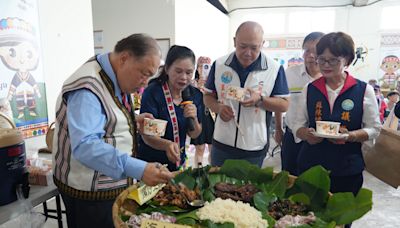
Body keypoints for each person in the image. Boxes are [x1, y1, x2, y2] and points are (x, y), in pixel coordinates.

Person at [52, 34, 175, 228]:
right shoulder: (87, 89)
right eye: (143, 74)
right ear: (124, 58)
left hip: (108, 185)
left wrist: (133, 121)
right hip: (90, 195)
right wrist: (140, 169)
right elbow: (86, 146)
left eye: (149, 77)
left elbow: (103, 117)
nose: (144, 83)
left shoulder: (110, 74)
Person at [293, 32, 381, 202]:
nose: (325, 65)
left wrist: (350, 136)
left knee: (342, 216)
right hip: (312, 166)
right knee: (311, 216)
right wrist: (307, 135)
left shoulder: (362, 90)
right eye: (321, 59)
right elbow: (297, 124)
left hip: (347, 168)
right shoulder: (310, 89)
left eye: (333, 60)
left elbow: (374, 128)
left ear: (347, 60)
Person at [203, 21, 289, 167]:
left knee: (249, 189)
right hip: (222, 142)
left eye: (254, 48)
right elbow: (207, 96)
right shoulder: (219, 65)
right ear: (235, 41)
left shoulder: (274, 69)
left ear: (262, 44)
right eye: (243, 46)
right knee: (217, 186)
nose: (248, 53)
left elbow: (284, 105)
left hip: (254, 146)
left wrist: (260, 100)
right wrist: (218, 108)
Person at [138, 45, 203, 171]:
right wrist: (167, 145)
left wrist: (193, 118)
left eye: (189, 72)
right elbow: (147, 135)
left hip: (179, 161)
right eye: (178, 71)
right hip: (152, 163)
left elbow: (195, 133)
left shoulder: (194, 94)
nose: (184, 77)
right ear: (167, 69)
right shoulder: (153, 92)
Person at [274, 32, 324, 175]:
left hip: (319, 139)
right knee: (288, 178)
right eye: (307, 50)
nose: (311, 55)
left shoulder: (329, 77)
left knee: (313, 180)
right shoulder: (289, 74)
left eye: (316, 51)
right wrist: (278, 129)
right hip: (292, 137)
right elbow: (280, 101)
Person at [190, 56, 215, 167]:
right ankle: (198, 171)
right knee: (199, 148)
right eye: (201, 66)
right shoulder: (192, 83)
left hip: (212, 117)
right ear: (197, 68)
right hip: (198, 117)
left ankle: (212, 170)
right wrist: (198, 85)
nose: (203, 69)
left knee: (212, 148)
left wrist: (207, 87)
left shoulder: (214, 83)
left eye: (207, 66)